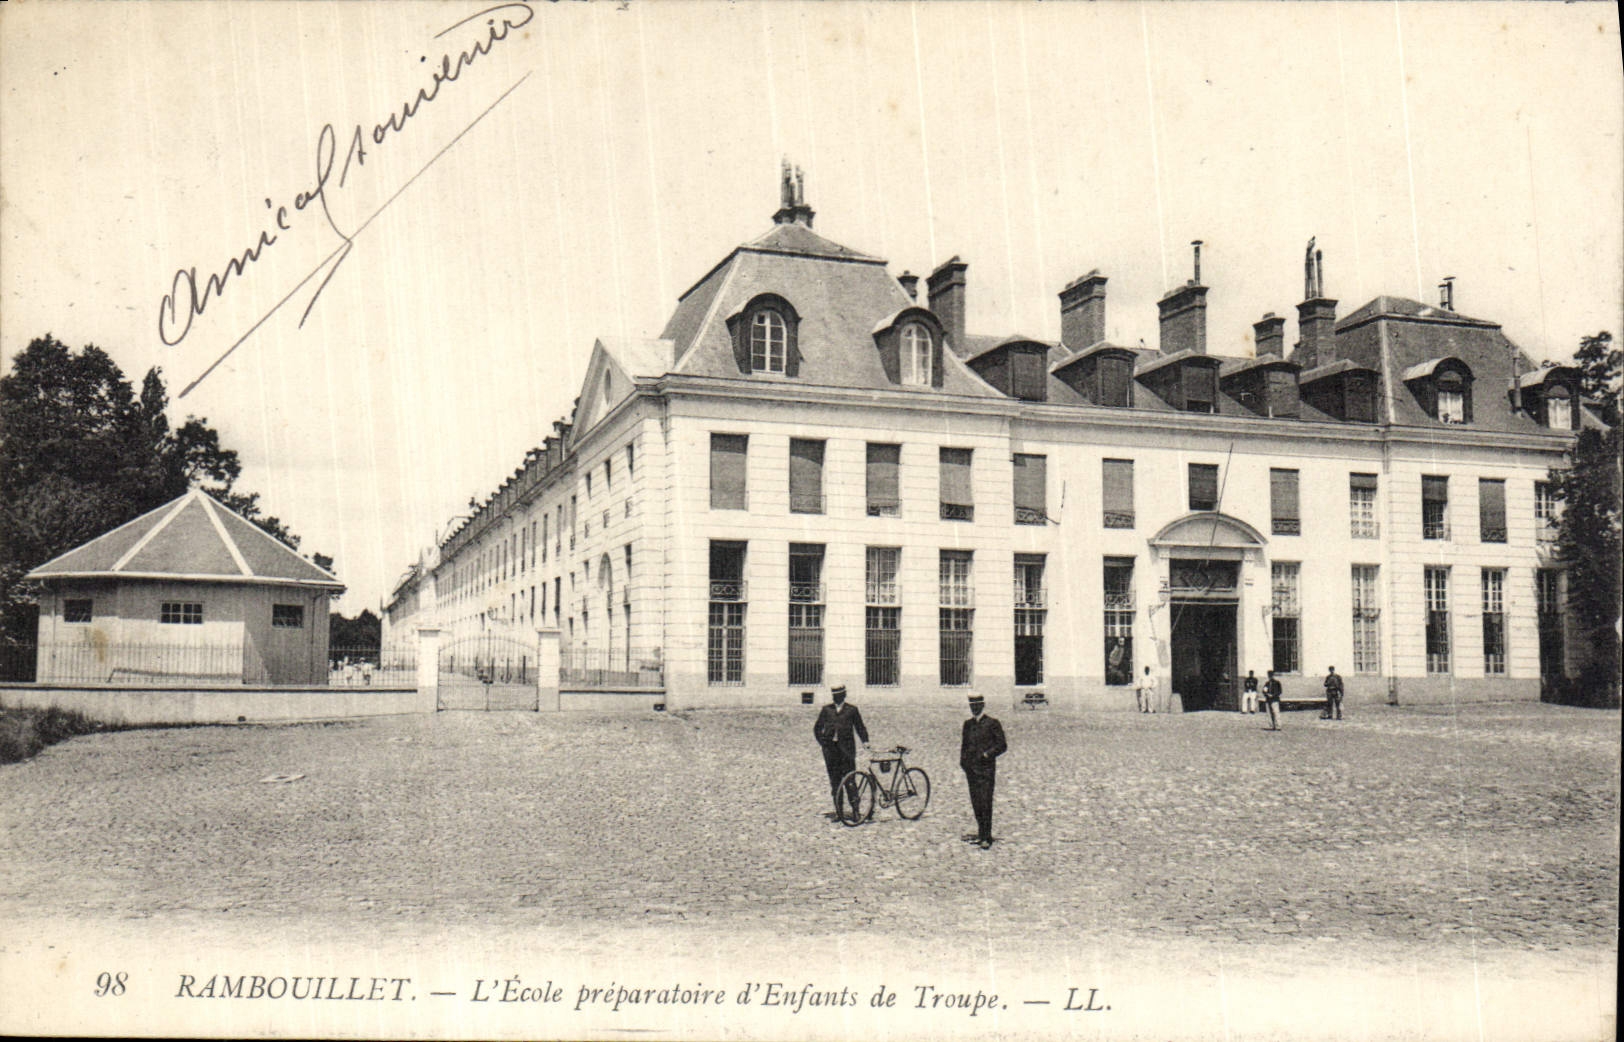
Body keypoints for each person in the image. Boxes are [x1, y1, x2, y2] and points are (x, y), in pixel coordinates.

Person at [960, 694, 1008, 849]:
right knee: (976, 802)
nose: (974, 708)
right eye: (972, 705)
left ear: (982, 705)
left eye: (977, 705)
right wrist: (964, 763)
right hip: (972, 770)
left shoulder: (992, 723)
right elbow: (964, 746)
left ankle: (987, 836)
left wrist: (987, 754)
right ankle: (981, 833)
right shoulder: (968, 724)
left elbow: (1002, 745)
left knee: (985, 802)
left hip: (986, 770)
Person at [813, 685, 868, 818]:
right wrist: (824, 744)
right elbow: (817, 728)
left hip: (847, 751)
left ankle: (855, 811)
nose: (836, 698)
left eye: (839, 695)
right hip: (831, 752)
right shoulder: (827, 710)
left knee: (850, 780)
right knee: (835, 782)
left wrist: (865, 741)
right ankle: (839, 812)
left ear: (844, 695)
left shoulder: (852, 710)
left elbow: (859, 727)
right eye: (834, 695)